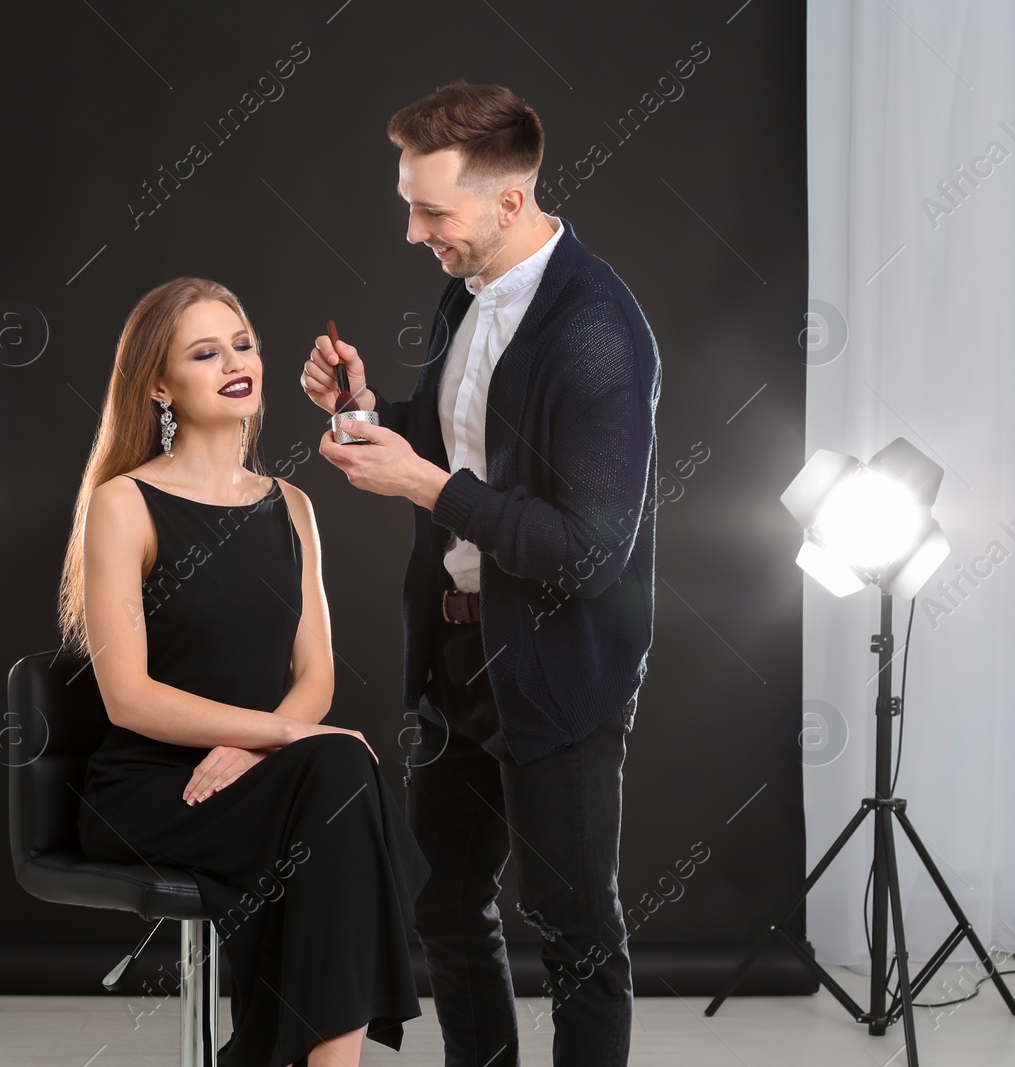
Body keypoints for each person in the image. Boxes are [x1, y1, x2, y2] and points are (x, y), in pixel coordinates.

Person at [300, 82, 661, 1066]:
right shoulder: (467, 287)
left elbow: (588, 551)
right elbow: (465, 439)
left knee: (573, 926)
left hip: (557, 666)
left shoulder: (594, 330)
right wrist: (367, 409)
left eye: (431, 212)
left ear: (509, 201)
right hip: (455, 656)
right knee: (444, 900)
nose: (415, 233)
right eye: (409, 206)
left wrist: (425, 484)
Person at [60, 277, 432, 1067]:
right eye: (205, 352)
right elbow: (128, 699)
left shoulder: (293, 505)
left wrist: (265, 748)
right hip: (157, 787)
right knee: (338, 769)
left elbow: (315, 674)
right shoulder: (124, 503)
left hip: (273, 779)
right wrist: (279, 736)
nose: (235, 362)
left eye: (243, 344)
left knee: (333, 773)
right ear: (160, 384)